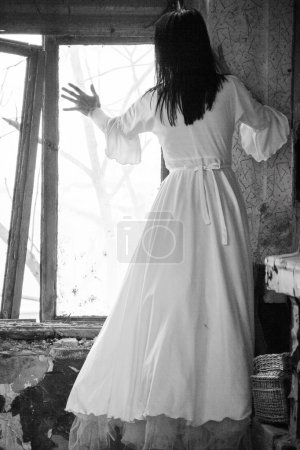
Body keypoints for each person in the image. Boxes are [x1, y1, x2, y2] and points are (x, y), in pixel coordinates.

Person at [61, 6, 290, 450]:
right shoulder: (230, 89)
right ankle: (218, 403)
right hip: (220, 202)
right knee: (222, 302)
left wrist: (94, 111)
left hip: (174, 201)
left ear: (164, 52)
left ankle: (166, 402)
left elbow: (120, 130)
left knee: (165, 307)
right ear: (201, 43)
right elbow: (265, 126)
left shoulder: (157, 99)